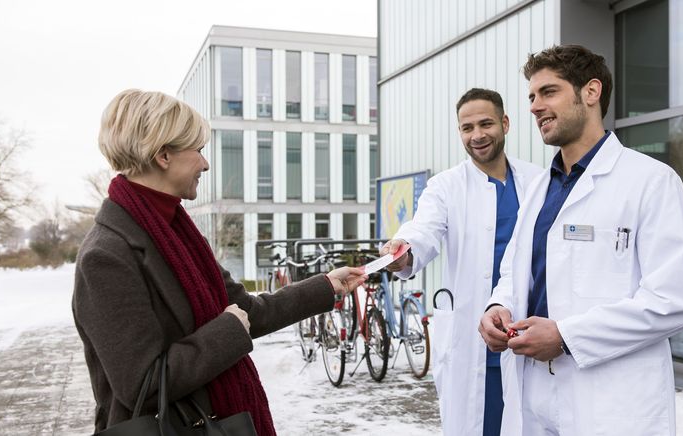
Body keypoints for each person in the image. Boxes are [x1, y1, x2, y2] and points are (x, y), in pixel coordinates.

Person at [72, 89, 367, 436]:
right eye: (197, 151)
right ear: (163, 155)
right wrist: (227, 329)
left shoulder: (174, 234)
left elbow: (246, 311)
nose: (205, 164)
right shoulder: (106, 257)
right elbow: (143, 385)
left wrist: (325, 285)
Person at [478, 45, 683, 436]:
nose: (534, 106)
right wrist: (500, 306)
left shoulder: (651, 181)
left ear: (591, 92)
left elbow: (673, 301)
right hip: (534, 390)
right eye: (531, 96)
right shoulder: (538, 189)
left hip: (611, 398)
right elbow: (516, 270)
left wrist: (565, 336)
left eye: (548, 92)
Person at [381, 88, 543, 436]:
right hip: (477, 345)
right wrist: (402, 251)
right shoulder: (445, 187)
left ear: (505, 123)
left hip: (531, 334)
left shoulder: (537, 181)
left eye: (486, 124)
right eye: (467, 128)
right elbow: (423, 230)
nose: (477, 135)